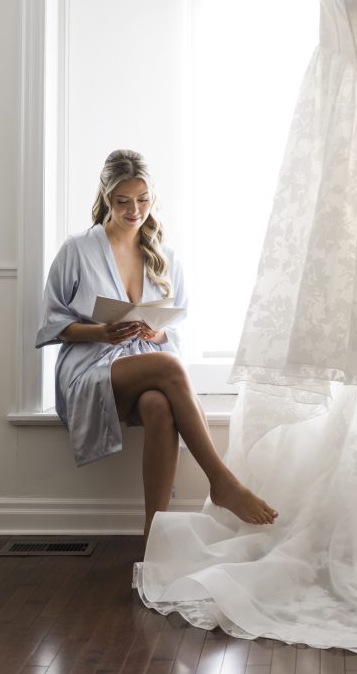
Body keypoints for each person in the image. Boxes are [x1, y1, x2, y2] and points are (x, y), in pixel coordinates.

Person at [36, 148, 277, 538]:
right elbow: (53, 323)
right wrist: (101, 332)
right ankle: (222, 481)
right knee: (168, 367)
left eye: (143, 200)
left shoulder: (165, 256)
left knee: (158, 405)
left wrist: (156, 332)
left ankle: (154, 539)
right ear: (106, 198)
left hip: (142, 365)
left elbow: (174, 328)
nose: (135, 210)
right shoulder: (77, 249)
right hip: (88, 368)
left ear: (153, 197)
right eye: (123, 201)